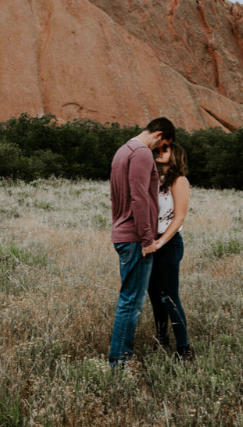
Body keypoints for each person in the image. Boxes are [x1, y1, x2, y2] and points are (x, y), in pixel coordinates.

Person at [108, 117, 175, 366]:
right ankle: (119, 363)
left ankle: (119, 359)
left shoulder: (122, 151)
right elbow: (139, 198)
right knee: (131, 303)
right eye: (162, 145)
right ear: (158, 135)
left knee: (129, 299)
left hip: (124, 233)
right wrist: (148, 239)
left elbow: (117, 197)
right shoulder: (141, 153)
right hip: (136, 238)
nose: (160, 151)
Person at [148, 142, 193, 360]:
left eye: (164, 150)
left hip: (169, 242)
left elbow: (180, 217)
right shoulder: (158, 181)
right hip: (152, 242)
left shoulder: (180, 181)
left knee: (170, 297)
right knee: (155, 295)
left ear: (175, 156)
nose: (159, 152)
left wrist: (161, 242)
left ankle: (184, 349)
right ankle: (161, 338)